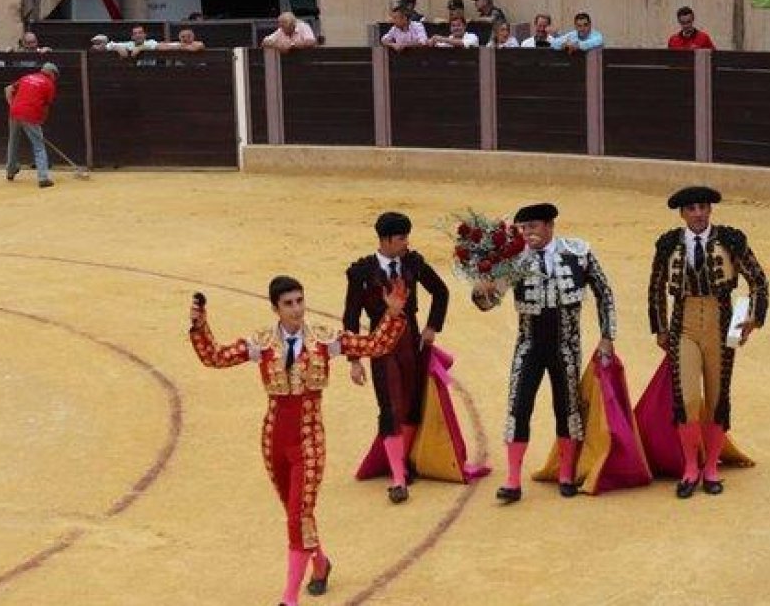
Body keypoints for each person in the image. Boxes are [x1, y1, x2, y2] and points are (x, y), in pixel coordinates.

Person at [190, 276, 408, 606]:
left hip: (308, 440)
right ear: (275, 308)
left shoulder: (324, 339)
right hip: (273, 440)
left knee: (298, 516)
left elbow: (375, 345)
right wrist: (200, 326)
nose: (296, 309)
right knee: (296, 514)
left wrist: (392, 314)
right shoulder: (262, 343)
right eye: (288, 304)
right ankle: (319, 563)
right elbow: (215, 357)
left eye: (300, 301)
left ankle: (289, 599)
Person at [473, 203, 616, 503]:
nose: (528, 233)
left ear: (550, 226)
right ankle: (513, 481)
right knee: (518, 407)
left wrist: (607, 336)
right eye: (523, 228)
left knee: (567, 409)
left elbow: (604, 292)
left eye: (534, 226)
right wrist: (481, 289)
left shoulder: (578, 253)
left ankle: (565, 474)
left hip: (566, 346)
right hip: (529, 346)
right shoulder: (513, 261)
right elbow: (489, 303)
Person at [648, 186, 768, 498]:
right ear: (682, 214)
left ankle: (711, 468)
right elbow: (656, 287)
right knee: (687, 400)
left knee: (717, 399)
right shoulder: (668, 244)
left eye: (703, 207)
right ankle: (691, 468)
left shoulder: (731, 240)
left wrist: (753, 318)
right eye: (692, 209)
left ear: (710, 210)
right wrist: (661, 329)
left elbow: (758, 279)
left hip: (721, 326)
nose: (698, 213)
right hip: (683, 328)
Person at [344, 212, 449, 503]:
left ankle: (403, 461)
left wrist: (432, 326)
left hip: (411, 340)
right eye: (402, 238)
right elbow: (351, 315)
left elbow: (441, 292)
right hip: (381, 346)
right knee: (389, 405)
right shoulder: (362, 272)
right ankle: (398, 477)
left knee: (412, 401)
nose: (406, 243)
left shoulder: (413, 263)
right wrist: (354, 359)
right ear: (386, 240)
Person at [4, 62, 59, 188]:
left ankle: (10, 171)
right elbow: (46, 105)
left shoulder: (27, 77)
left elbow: (8, 89)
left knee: (13, 142)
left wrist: (12, 105)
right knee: (39, 146)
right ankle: (43, 178)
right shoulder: (49, 84)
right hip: (30, 115)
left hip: (15, 112)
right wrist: (41, 120)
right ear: (52, 74)